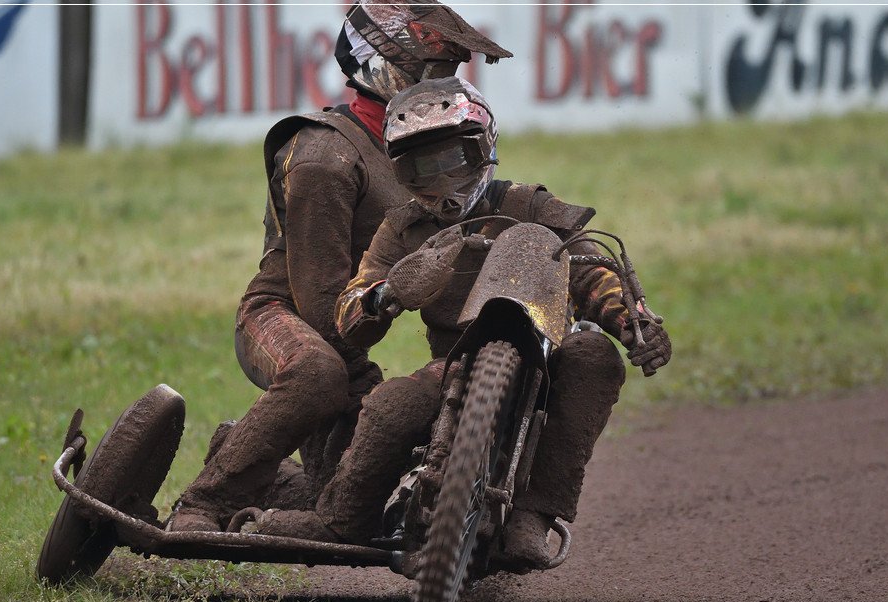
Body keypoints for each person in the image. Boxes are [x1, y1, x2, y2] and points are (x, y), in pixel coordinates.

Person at [249, 77, 672, 570]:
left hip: (549, 346)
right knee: (390, 405)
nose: (443, 184)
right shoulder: (401, 227)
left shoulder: (527, 203)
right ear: (400, 173)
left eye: (453, 159)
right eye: (421, 168)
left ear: (484, 148)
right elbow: (349, 310)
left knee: (593, 356)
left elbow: (591, 267)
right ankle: (342, 519)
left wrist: (631, 322)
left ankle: (536, 512)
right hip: (454, 361)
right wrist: (389, 293)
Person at [167, 4, 511, 532]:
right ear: (385, 69)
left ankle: (244, 455)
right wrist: (377, 321)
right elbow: (317, 302)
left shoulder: (420, 154)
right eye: (433, 72)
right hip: (284, 315)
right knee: (318, 375)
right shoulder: (325, 155)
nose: (443, 87)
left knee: (363, 487)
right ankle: (203, 505)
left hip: (348, 328)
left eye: (450, 74)